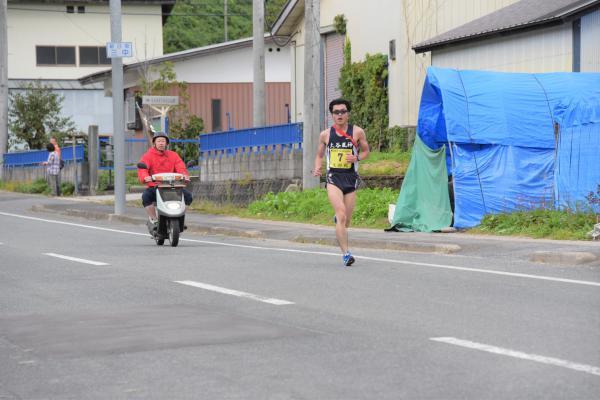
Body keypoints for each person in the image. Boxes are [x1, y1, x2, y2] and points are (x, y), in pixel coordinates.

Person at [313, 98, 370, 266]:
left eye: (343, 111)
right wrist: (317, 168)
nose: (339, 115)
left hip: (351, 178)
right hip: (334, 178)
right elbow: (319, 155)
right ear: (332, 115)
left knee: (346, 221)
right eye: (336, 112)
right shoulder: (325, 134)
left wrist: (357, 157)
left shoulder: (357, 132)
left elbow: (366, 151)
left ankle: (339, 221)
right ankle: (346, 254)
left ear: (348, 114)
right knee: (341, 214)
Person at [138, 132, 193, 234]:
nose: (161, 143)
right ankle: (154, 220)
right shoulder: (148, 156)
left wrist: (184, 175)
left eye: (163, 141)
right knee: (146, 197)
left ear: (167, 143)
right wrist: (145, 177)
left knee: (188, 196)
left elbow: (181, 167)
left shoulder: (173, 155)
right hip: (155, 186)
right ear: (154, 143)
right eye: (158, 141)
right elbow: (142, 169)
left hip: (172, 186)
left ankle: (180, 217)